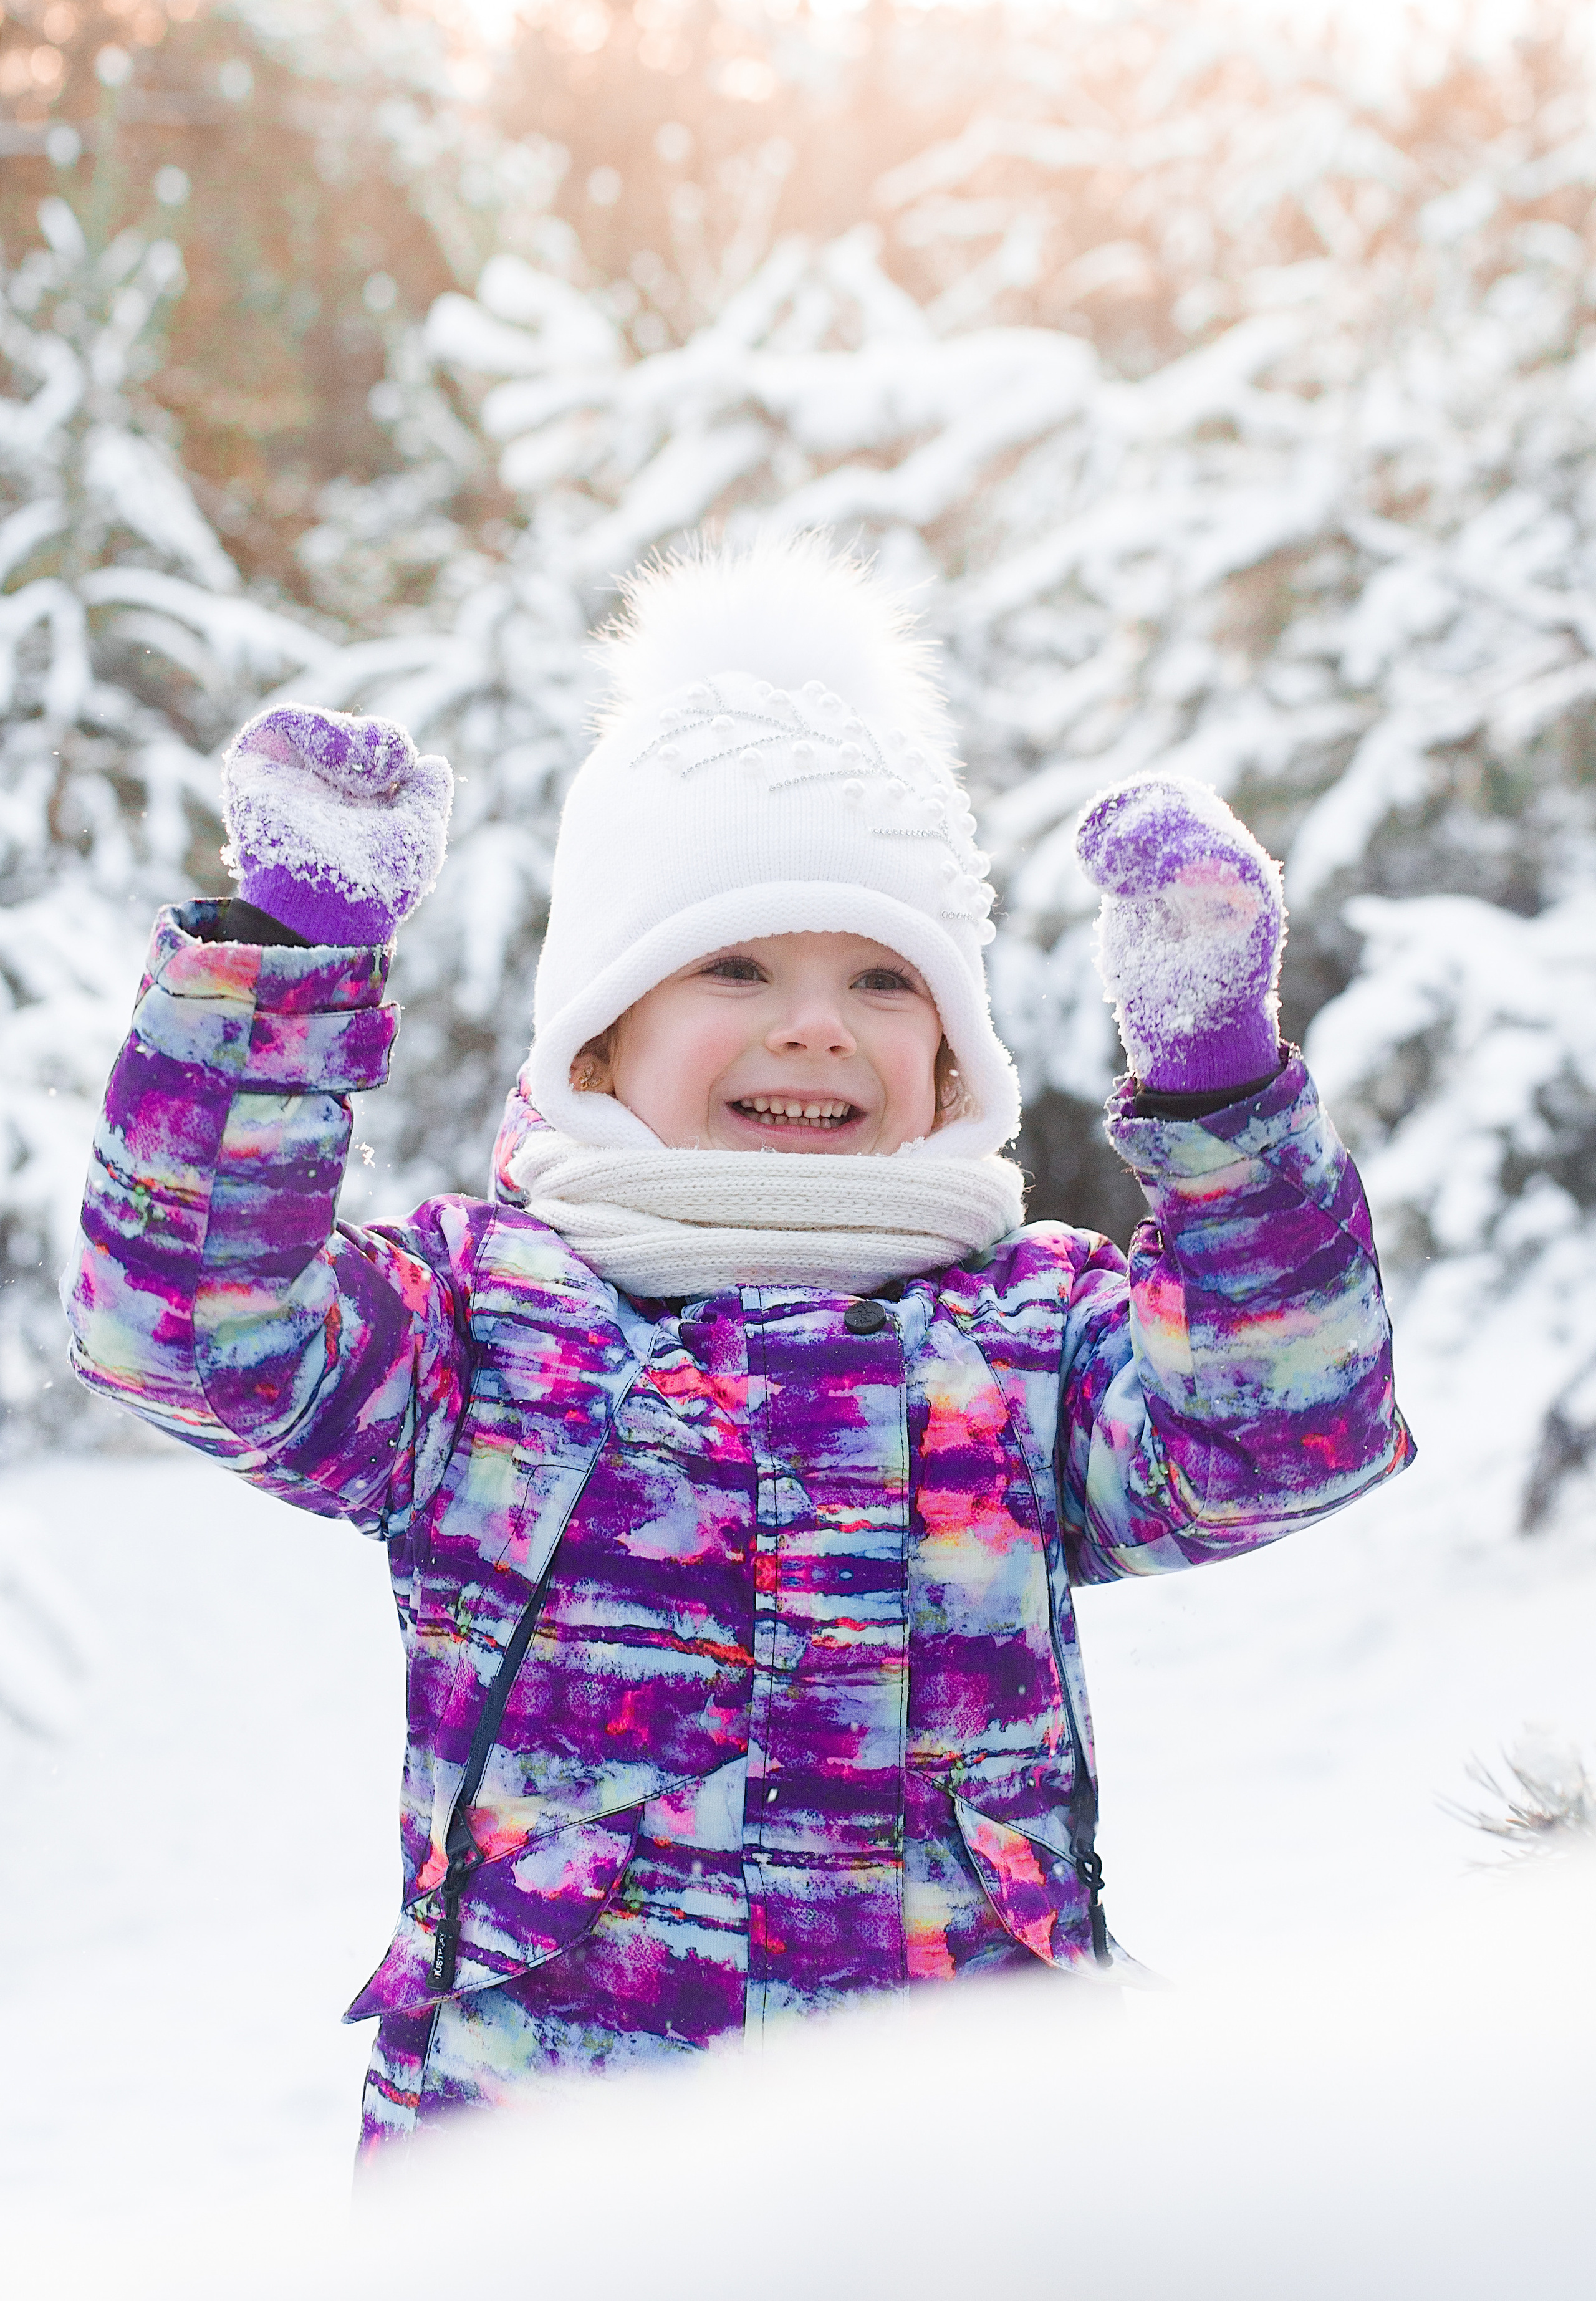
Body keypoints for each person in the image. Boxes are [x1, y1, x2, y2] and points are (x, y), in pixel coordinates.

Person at [64, 534, 1412, 2153]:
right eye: (739, 964)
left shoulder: (1026, 1341)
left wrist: (1215, 1080)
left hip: (972, 2193)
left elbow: (1282, 1423)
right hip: (560, 2198)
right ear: (604, 1029)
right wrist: (281, 965)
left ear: (957, 1053)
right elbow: (190, 1330)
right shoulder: (492, 1333)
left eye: (884, 980)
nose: (819, 1024)